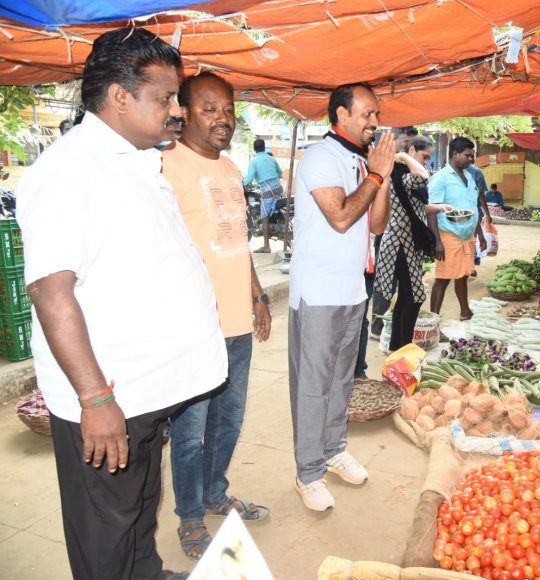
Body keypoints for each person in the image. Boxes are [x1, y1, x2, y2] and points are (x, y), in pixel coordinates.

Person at [16, 28, 228, 580]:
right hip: (110, 395)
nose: (177, 110)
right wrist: (95, 399)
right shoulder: (70, 171)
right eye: (165, 98)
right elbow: (48, 290)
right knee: (105, 528)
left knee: (136, 508)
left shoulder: (133, 160)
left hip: (144, 392)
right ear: (118, 98)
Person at [162, 72, 272, 560]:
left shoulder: (230, 168)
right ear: (183, 111)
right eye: (209, 109)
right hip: (192, 331)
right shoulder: (166, 168)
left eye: (228, 110)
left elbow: (236, 242)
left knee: (229, 422)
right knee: (189, 434)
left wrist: (258, 295)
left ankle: (214, 494)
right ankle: (189, 516)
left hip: (237, 325)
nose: (223, 119)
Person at [289, 83, 395, 511]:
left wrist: (381, 176)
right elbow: (340, 216)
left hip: (352, 289)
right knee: (313, 386)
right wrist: (375, 173)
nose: (374, 121)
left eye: (376, 113)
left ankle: (333, 450)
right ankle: (307, 473)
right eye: (366, 113)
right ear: (341, 115)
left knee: (340, 381)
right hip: (318, 291)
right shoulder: (321, 157)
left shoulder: (361, 161)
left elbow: (375, 225)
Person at [374, 137, 453, 351]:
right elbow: (422, 176)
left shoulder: (403, 177)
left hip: (406, 244)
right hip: (400, 243)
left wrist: (439, 207)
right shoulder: (402, 175)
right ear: (411, 151)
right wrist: (404, 156)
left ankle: (396, 347)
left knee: (407, 296)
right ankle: (403, 348)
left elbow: (416, 208)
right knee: (415, 296)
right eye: (424, 156)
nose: (426, 161)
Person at [428, 136, 487, 319]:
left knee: (462, 275)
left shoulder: (469, 176)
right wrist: (437, 241)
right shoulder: (441, 178)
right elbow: (430, 211)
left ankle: (465, 311)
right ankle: (433, 322)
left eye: (473, 155)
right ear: (455, 154)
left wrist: (481, 234)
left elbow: (472, 208)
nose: (472, 159)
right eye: (468, 155)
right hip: (448, 235)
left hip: (466, 236)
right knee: (443, 279)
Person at [244, 138, 283, 253]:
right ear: (264, 147)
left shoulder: (254, 161)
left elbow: (249, 178)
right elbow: (280, 173)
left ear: (254, 149)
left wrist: (243, 183)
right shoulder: (272, 158)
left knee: (264, 217)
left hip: (267, 190)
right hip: (278, 188)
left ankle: (266, 246)